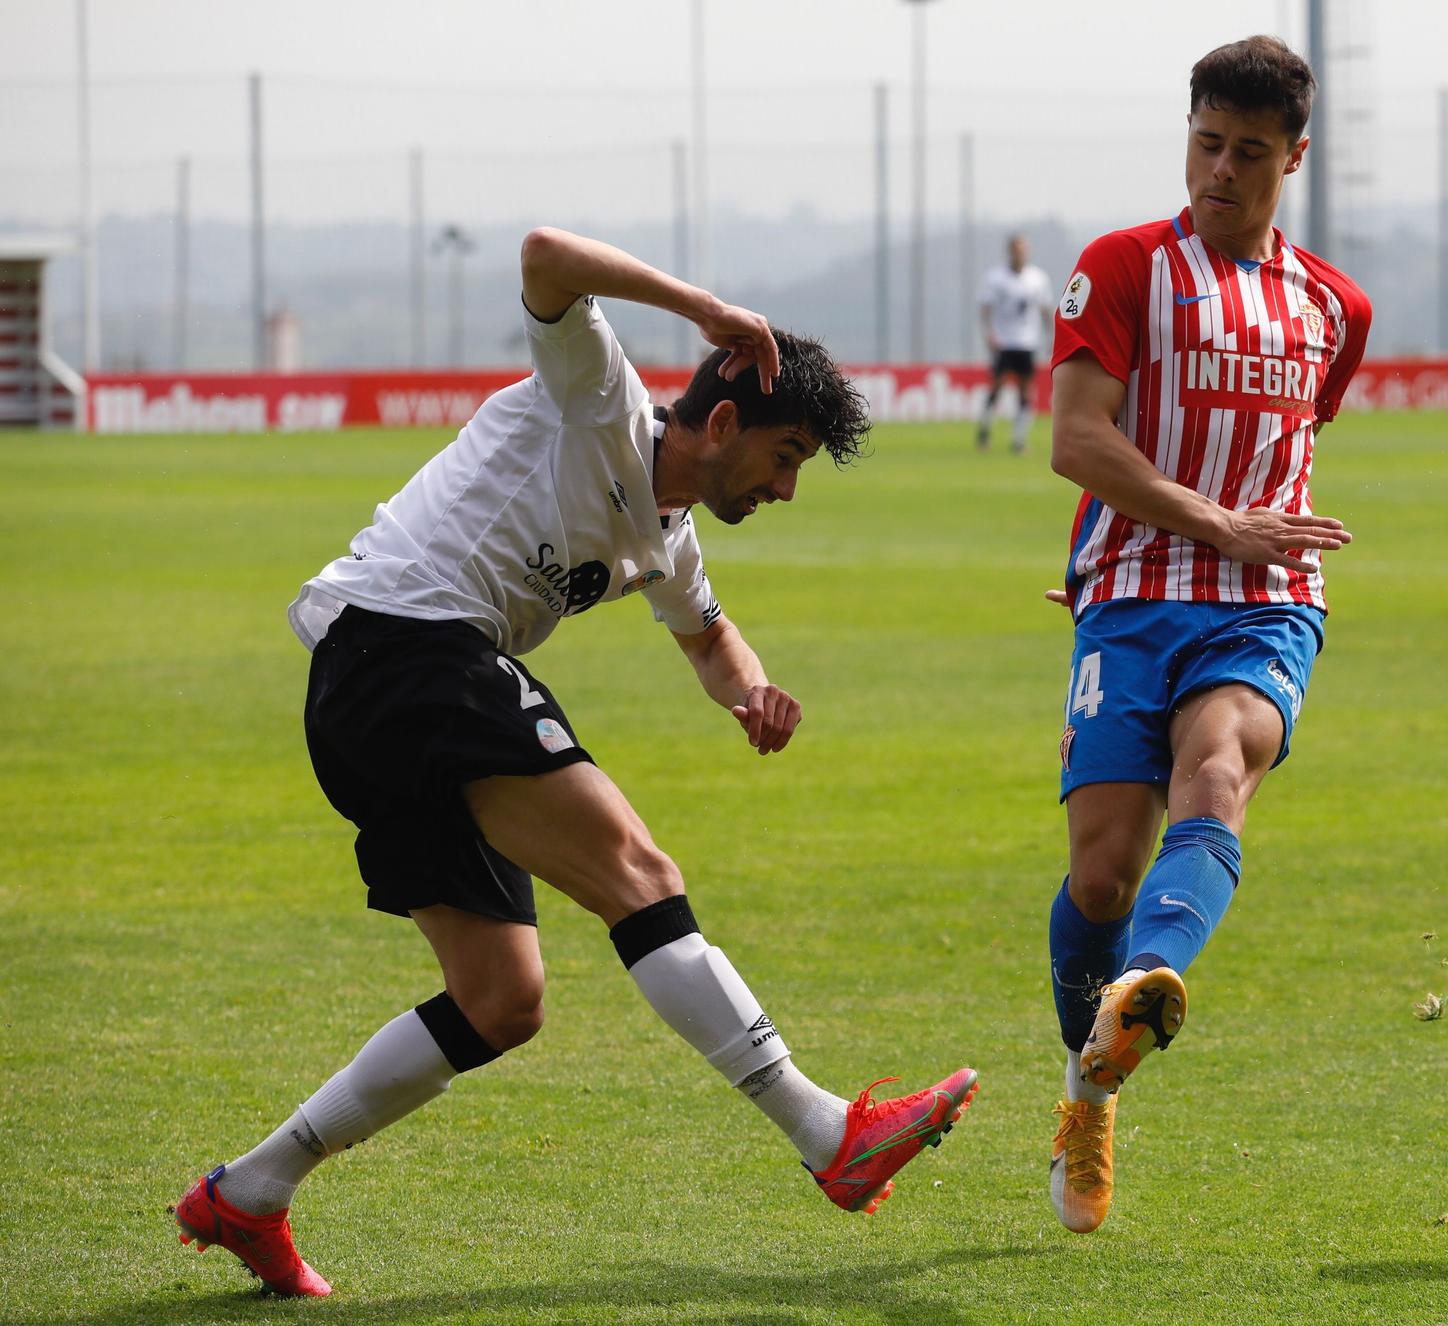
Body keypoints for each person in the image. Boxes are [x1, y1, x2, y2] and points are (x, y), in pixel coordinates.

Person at [173, 228, 978, 1298]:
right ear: (725, 420)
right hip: (404, 645)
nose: (787, 489)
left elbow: (705, 635)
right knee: (638, 876)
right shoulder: (597, 395)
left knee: (500, 999)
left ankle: (251, 1192)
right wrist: (703, 306)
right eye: (785, 457)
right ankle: (828, 1135)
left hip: (384, 695)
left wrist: (751, 690)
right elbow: (545, 254)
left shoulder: (671, 534)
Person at [1039, 36, 1370, 1236]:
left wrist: (1243, 538)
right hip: (1130, 589)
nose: (1218, 170)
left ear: (1292, 155)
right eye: (1204, 143)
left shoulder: (1335, 306)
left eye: (1245, 151)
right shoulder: (1121, 267)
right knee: (1098, 871)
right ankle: (1090, 1083)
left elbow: (1281, 449)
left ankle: (1151, 978)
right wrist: (1201, 523)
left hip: (1264, 596)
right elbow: (1079, 440)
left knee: (1219, 767)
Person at [976, 233, 1054, 453]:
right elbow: (986, 309)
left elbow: (1045, 309)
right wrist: (989, 334)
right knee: (998, 385)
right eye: (1016, 250)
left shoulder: (1037, 278)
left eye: (1023, 250)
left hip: (1027, 342)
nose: (1020, 254)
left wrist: (1051, 336)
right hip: (1004, 341)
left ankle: (1018, 440)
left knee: (1025, 390)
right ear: (1010, 252)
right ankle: (984, 431)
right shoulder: (996, 278)